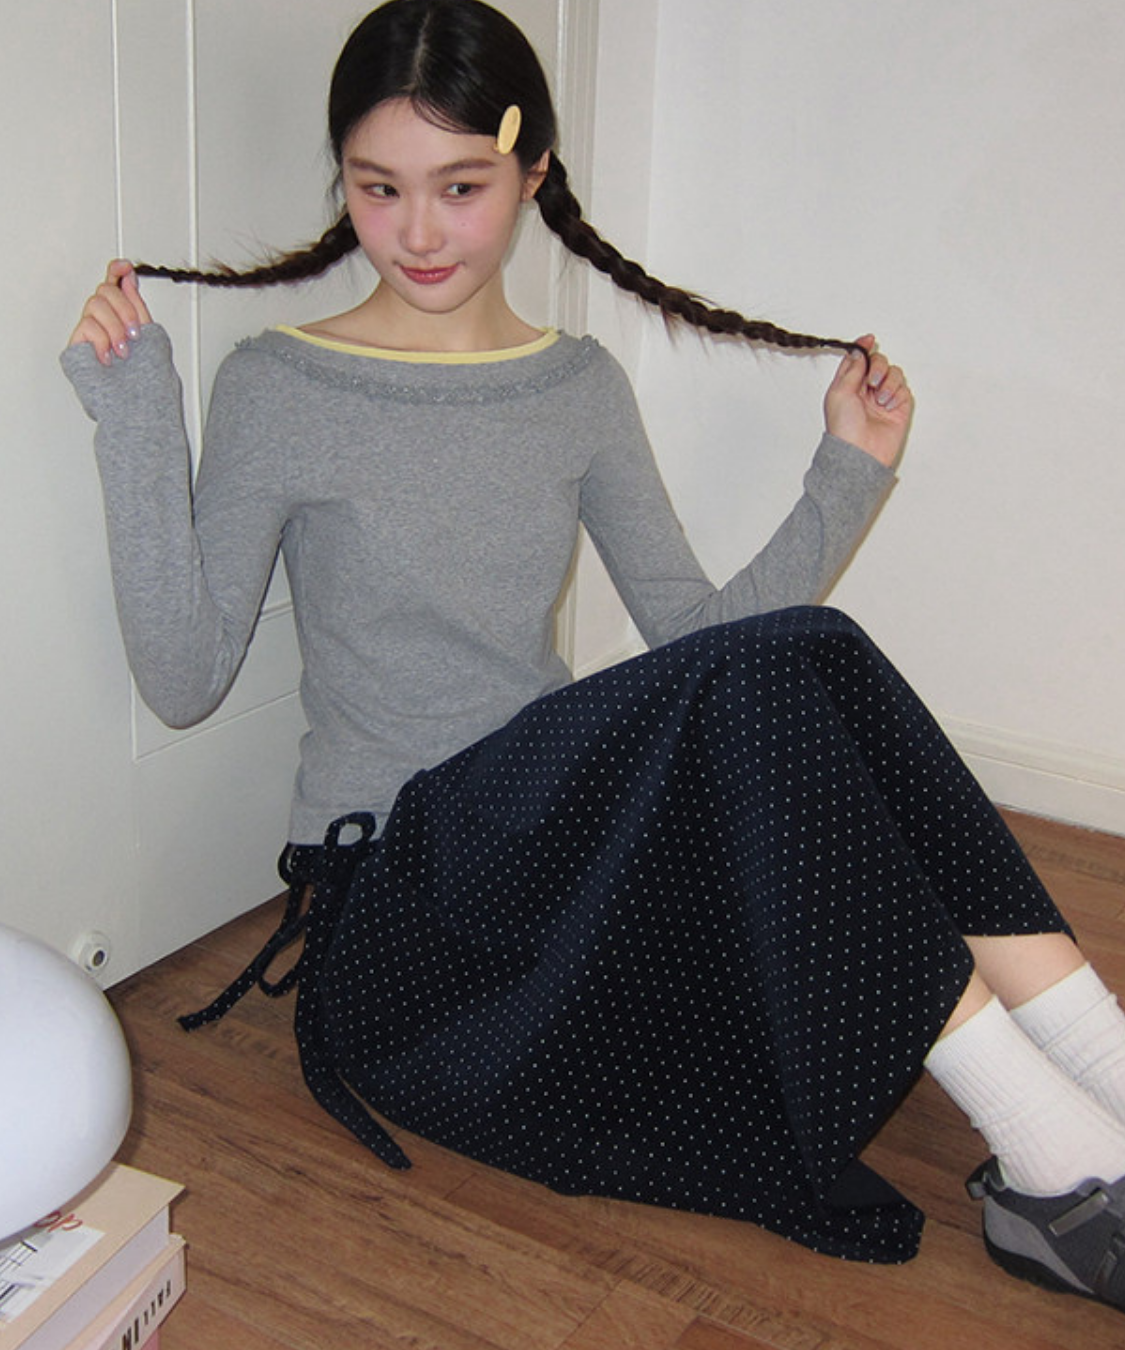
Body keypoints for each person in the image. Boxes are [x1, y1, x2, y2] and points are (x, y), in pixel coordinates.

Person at [62, 0, 1125, 1311]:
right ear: (342, 180)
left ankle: (1098, 1079)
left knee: (808, 659)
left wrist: (847, 472)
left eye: (461, 187)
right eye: (380, 188)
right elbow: (183, 678)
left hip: (550, 854)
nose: (419, 231)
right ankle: (1064, 1162)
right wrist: (134, 414)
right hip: (408, 905)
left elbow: (699, 636)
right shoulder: (280, 385)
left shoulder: (577, 386)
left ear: (532, 176)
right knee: (782, 682)